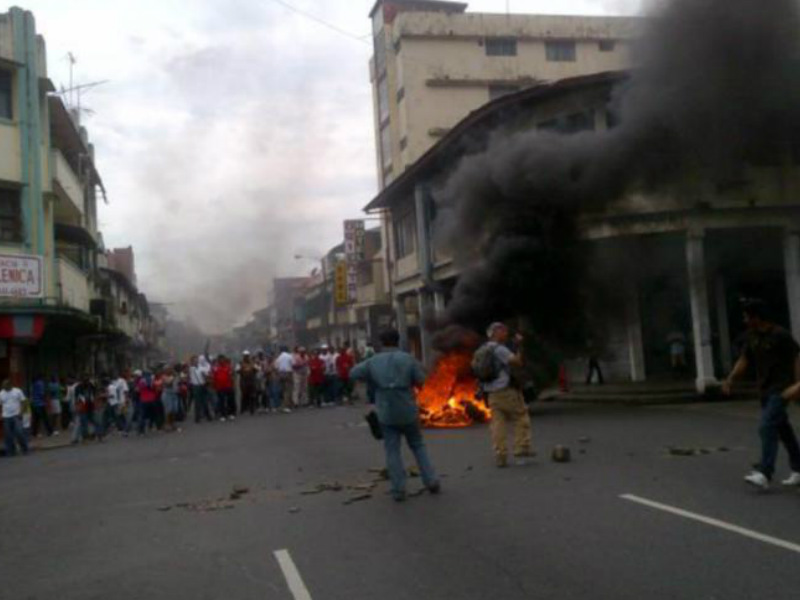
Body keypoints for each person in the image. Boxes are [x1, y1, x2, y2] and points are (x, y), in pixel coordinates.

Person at [350, 329, 440, 502]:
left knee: (392, 450)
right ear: (398, 341)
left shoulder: (373, 361)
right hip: (407, 407)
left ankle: (398, 490)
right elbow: (422, 380)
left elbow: (354, 373)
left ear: (382, 343)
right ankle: (431, 481)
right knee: (418, 445)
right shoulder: (408, 359)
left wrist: (372, 380)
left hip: (386, 410)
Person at [723, 299, 800, 489]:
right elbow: (744, 359)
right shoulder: (752, 336)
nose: (744, 320)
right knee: (783, 430)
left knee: (766, 426)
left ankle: (765, 472)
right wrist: (731, 378)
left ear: (756, 317)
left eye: (746, 316)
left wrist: (798, 385)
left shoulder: (780, 335)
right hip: (764, 390)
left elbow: (797, 357)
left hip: (781, 389)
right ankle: (799, 468)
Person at [475, 322, 533, 468]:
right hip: (506, 391)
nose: (506, 333)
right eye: (503, 330)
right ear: (495, 332)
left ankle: (500, 455)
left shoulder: (482, 349)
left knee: (498, 425)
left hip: (491, 394)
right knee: (521, 417)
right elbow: (517, 362)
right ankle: (521, 449)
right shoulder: (499, 349)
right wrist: (519, 345)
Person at [1, 379, 29, 456]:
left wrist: (21, 412)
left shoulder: (17, 391)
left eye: (5, 386)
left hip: (16, 415)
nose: (4, 387)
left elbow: (24, 402)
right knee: (8, 435)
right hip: (6, 416)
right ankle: (11, 451)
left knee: (19, 432)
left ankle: (25, 449)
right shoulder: (1, 393)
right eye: (3, 386)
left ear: (10, 385)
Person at [190, 355, 212, 422]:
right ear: (192, 362)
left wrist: (206, 374)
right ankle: (197, 417)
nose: (196, 361)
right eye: (194, 360)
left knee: (205, 401)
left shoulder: (201, 367)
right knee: (197, 403)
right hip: (196, 387)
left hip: (203, 385)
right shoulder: (191, 368)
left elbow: (207, 371)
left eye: (196, 360)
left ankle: (208, 416)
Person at [213, 356, 236, 421]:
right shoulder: (216, 368)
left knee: (230, 401)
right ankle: (222, 415)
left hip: (228, 386)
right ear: (218, 360)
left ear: (224, 360)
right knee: (221, 402)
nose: (221, 361)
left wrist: (232, 385)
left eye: (222, 359)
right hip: (219, 387)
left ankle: (231, 414)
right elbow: (214, 377)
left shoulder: (228, 367)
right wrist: (214, 386)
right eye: (220, 359)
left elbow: (231, 376)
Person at [274, 347, 294, 413]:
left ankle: (283, 405)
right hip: (288, 373)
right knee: (288, 390)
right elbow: (293, 364)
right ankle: (286, 406)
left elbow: (276, 367)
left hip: (281, 374)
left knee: (282, 390)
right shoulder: (289, 356)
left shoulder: (278, 358)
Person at [161, 367, 181, 432]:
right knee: (168, 410)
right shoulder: (164, 376)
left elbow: (179, 382)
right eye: (168, 369)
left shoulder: (174, 376)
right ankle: (167, 425)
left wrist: (177, 376)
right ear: (165, 371)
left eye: (171, 369)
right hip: (167, 394)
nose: (170, 370)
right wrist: (173, 377)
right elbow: (168, 383)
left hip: (174, 394)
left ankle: (173, 424)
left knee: (174, 409)